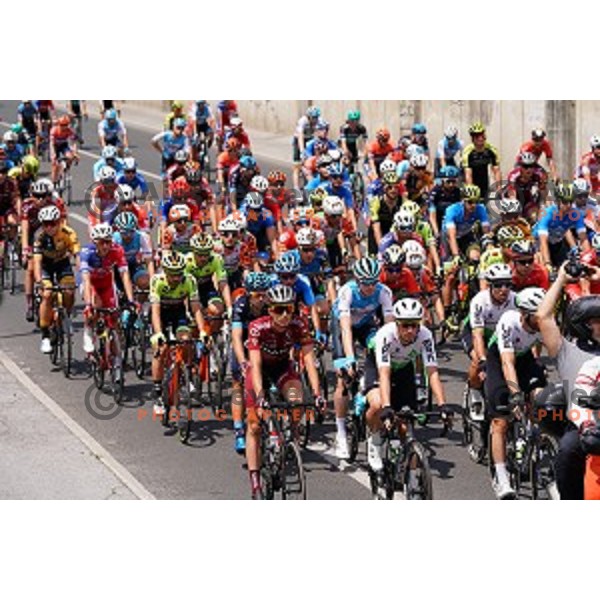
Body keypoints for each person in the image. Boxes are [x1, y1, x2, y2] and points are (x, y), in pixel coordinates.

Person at [244, 284, 323, 498]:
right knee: (254, 425)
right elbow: (256, 365)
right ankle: (255, 482)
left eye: (288, 309)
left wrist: (317, 394)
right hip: (260, 371)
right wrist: (260, 396)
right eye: (279, 310)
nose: (285, 315)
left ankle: (289, 436)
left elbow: (308, 360)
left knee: (296, 400)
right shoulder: (257, 327)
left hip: (282, 368)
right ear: (269, 311)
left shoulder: (299, 324)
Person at [365, 298, 450, 473]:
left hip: (404, 369)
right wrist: (387, 406)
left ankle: (404, 467)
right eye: (405, 326)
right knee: (378, 404)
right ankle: (374, 441)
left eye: (414, 325)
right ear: (396, 324)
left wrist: (443, 405)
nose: (410, 330)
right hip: (378, 367)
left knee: (406, 421)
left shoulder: (425, 336)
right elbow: (384, 374)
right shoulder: (385, 335)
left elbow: (432, 372)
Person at [537, 268, 600, 499]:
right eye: (597, 321)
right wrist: (561, 278)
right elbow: (543, 316)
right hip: (582, 425)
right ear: (583, 324)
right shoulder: (566, 351)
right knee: (567, 451)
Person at [485, 287, 547, 499]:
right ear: (526, 314)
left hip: (524, 359)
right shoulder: (509, 321)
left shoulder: (544, 322)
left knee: (543, 399)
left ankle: (534, 440)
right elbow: (507, 363)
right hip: (500, 361)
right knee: (500, 421)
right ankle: (501, 477)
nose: (543, 320)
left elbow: (560, 351)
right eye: (538, 316)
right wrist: (516, 394)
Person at [331, 257, 394, 458]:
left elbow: (389, 328)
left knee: (379, 351)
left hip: (367, 326)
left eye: (373, 282)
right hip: (344, 326)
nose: (370, 287)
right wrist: (349, 358)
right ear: (357, 281)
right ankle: (340, 434)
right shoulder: (347, 291)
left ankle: (365, 389)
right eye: (365, 283)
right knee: (343, 376)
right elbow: (346, 329)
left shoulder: (383, 292)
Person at [149, 252, 206, 415]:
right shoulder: (157, 280)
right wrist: (158, 333)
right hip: (162, 314)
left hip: (178, 313)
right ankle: (158, 392)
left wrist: (202, 331)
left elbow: (195, 308)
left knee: (187, 340)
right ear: (165, 271)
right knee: (161, 350)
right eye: (172, 274)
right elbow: (155, 311)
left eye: (178, 274)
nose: (175, 278)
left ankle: (185, 373)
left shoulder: (189, 280)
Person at [230, 272, 272, 453]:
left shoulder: (270, 305)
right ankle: (239, 428)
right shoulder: (241, 305)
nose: (261, 299)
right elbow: (237, 337)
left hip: (261, 344)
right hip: (244, 344)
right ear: (248, 294)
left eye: (264, 294)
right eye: (257, 295)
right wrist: (242, 362)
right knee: (238, 384)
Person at [80, 223, 135, 357]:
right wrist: (88, 305)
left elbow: (124, 276)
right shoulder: (87, 253)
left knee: (114, 315)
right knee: (95, 307)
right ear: (94, 242)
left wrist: (131, 300)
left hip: (107, 284)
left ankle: (115, 356)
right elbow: (86, 280)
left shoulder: (117, 250)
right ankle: (88, 330)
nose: (105, 246)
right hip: (91, 284)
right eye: (102, 242)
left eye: (108, 242)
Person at [33, 206, 80, 353]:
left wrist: (81, 275)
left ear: (59, 222)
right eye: (46, 224)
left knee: (69, 291)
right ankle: (45, 335)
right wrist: (39, 281)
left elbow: (77, 256)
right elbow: (37, 263)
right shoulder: (39, 237)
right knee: (47, 295)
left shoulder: (68, 232)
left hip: (62, 264)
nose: (49, 227)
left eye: (52, 223)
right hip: (46, 267)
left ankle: (66, 315)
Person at [533, 182, 589, 271]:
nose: (569, 206)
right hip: (539, 243)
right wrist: (547, 263)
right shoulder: (548, 213)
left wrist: (587, 260)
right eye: (565, 202)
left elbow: (583, 238)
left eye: (571, 201)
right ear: (558, 201)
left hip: (557, 242)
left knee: (568, 269)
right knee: (545, 268)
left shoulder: (576, 214)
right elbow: (543, 241)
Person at [461, 122, 501, 198]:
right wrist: (471, 191)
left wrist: (498, 188)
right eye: (477, 136)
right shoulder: (467, 152)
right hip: (470, 176)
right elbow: (468, 174)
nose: (480, 138)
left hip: (484, 179)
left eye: (482, 135)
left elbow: (496, 171)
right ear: (472, 139)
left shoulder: (491, 150)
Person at [292, 106, 321, 188]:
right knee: (297, 165)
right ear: (309, 117)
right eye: (313, 118)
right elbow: (300, 136)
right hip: (299, 140)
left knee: (314, 160)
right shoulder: (302, 121)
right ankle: (296, 188)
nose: (315, 120)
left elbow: (319, 132)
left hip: (310, 139)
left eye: (316, 117)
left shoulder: (319, 121)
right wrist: (302, 151)